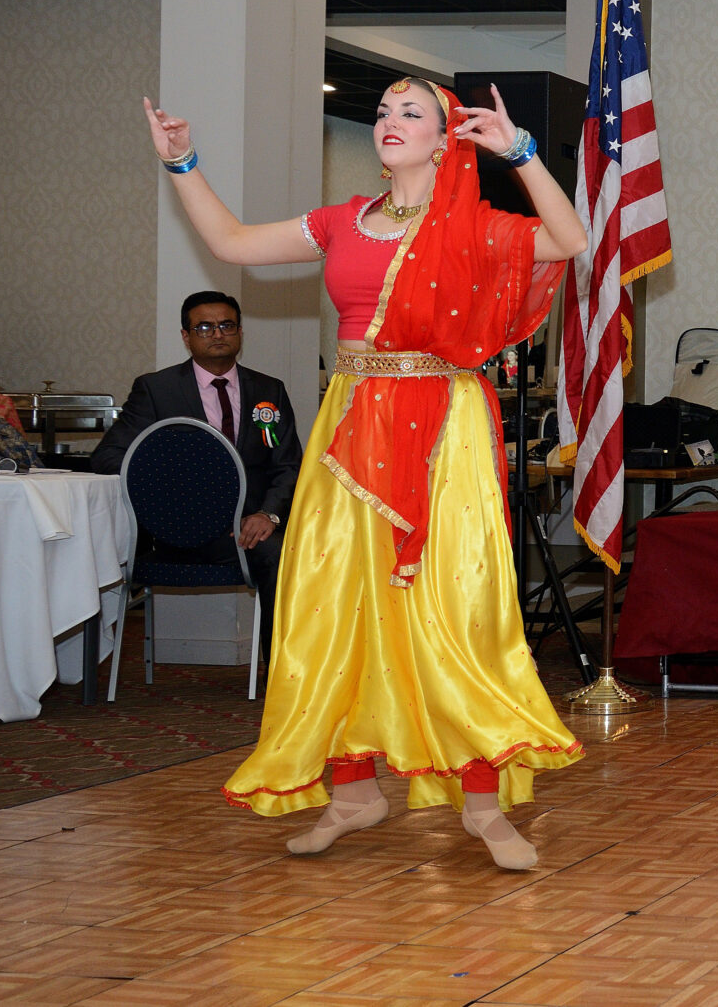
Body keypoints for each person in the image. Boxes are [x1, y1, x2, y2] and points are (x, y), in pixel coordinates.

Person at [143, 78, 587, 869]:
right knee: (335, 604)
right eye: (383, 111)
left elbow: (568, 238)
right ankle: (353, 794)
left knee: (456, 611)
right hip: (350, 430)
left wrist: (519, 151)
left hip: (442, 433)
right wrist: (183, 162)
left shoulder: (473, 225)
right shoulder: (341, 220)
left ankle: (483, 805)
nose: (389, 120)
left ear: (446, 138)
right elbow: (232, 242)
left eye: (411, 112)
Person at [92, 291, 306, 647]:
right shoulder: (156, 389)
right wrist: (177, 483)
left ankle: (279, 673)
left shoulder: (269, 389)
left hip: (247, 532)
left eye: (227, 325)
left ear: (240, 332)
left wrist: (268, 514)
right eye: (204, 327)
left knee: (288, 552)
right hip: (178, 531)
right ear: (185, 336)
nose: (217, 334)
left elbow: (288, 464)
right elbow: (108, 457)